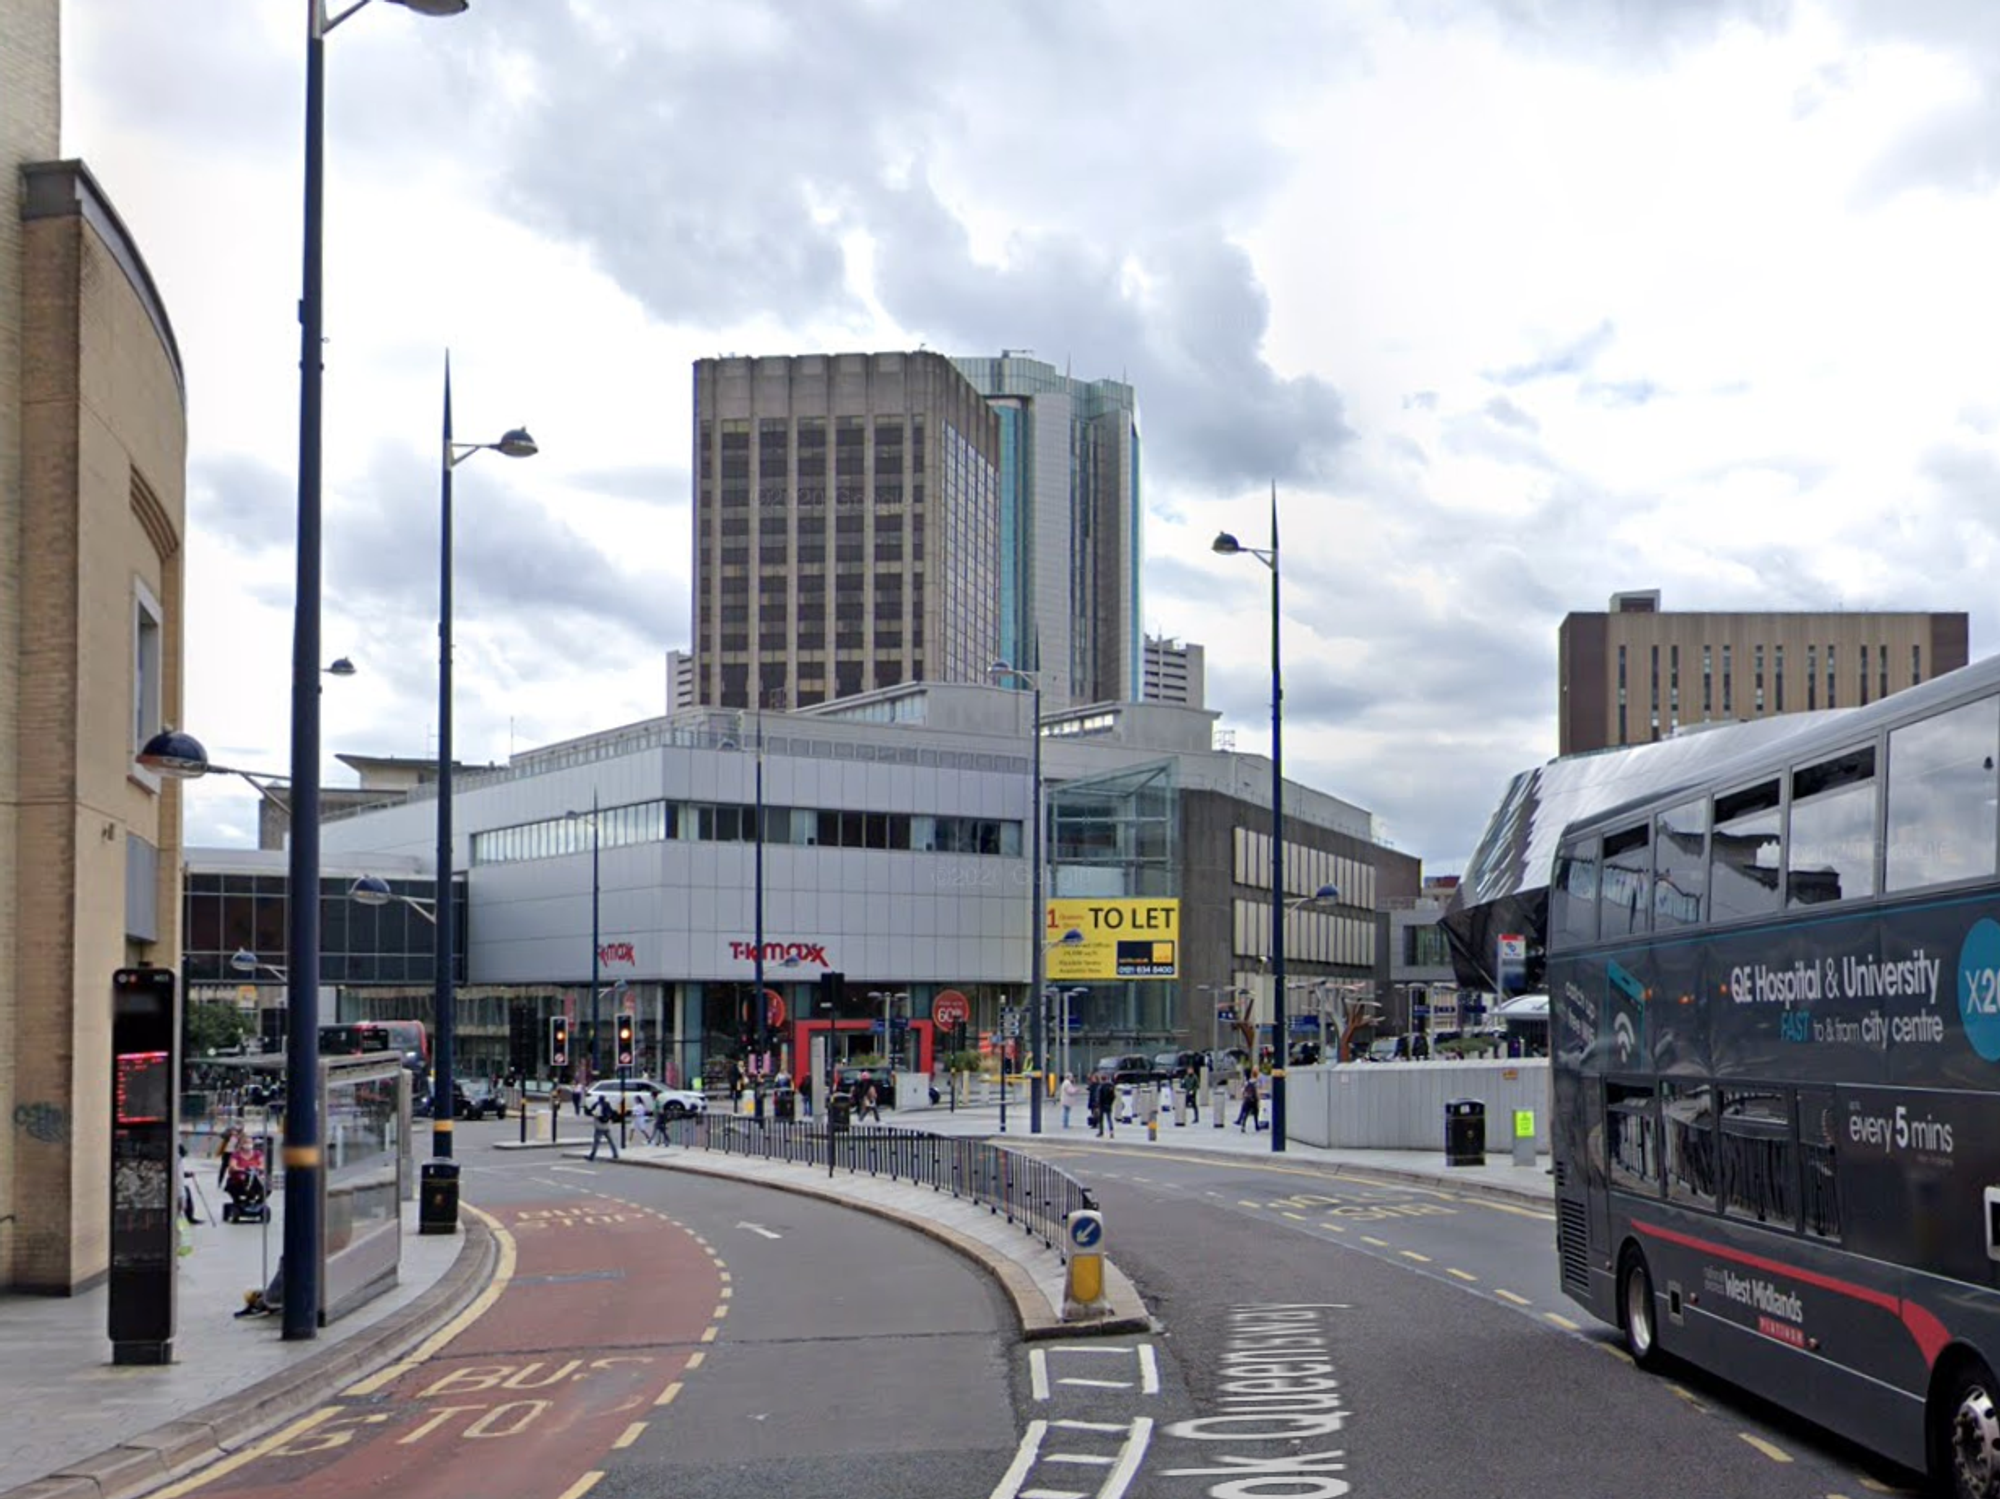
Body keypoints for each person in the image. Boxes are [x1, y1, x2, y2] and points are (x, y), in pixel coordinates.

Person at [587, 1092, 620, 1160]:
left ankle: (592, 1156)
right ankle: (615, 1154)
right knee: (611, 1141)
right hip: (606, 1126)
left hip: (599, 1126)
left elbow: (592, 1112)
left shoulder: (597, 1105)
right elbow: (611, 1113)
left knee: (596, 1141)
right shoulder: (607, 1105)